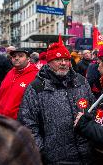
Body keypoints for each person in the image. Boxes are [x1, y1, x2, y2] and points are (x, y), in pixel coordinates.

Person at [18, 36, 96, 165]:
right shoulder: (36, 88)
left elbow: (92, 108)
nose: (63, 63)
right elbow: (27, 124)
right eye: (58, 59)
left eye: (66, 59)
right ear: (48, 62)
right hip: (55, 158)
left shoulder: (81, 81)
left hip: (86, 154)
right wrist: (40, 151)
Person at [0, 49, 38, 119]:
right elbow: (0, 95)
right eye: (14, 56)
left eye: (20, 56)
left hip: (18, 124)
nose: (16, 58)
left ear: (28, 59)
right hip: (1, 120)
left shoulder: (35, 75)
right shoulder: (10, 73)